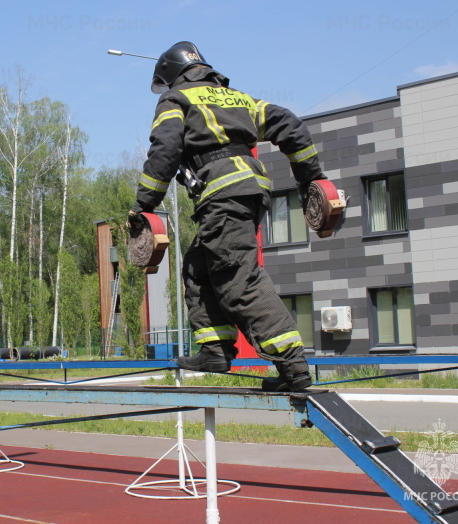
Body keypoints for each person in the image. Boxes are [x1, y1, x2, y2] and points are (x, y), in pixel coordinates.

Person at [127, 42, 325, 391]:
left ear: (173, 74)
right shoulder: (239, 99)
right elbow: (291, 125)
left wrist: (144, 203)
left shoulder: (177, 100)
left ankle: (293, 365)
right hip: (249, 190)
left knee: (239, 280)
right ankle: (215, 348)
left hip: (221, 192)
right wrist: (310, 177)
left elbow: (165, 149)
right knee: (198, 268)